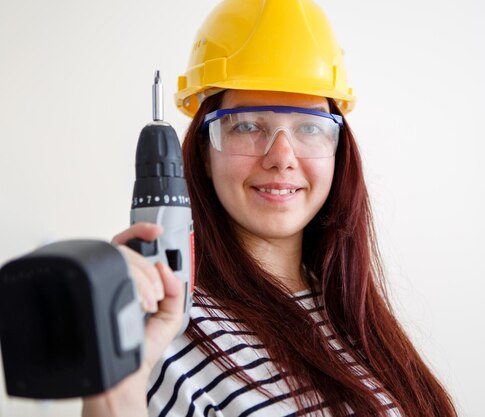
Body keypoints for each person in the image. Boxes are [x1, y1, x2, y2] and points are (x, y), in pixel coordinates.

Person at [83, 0, 457, 416]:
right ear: (205, 153)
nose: (282, 157)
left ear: (338, 149)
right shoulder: (164, 334)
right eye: (247, 125)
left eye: (310, 127)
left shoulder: (348, 309)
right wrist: (114, 389)